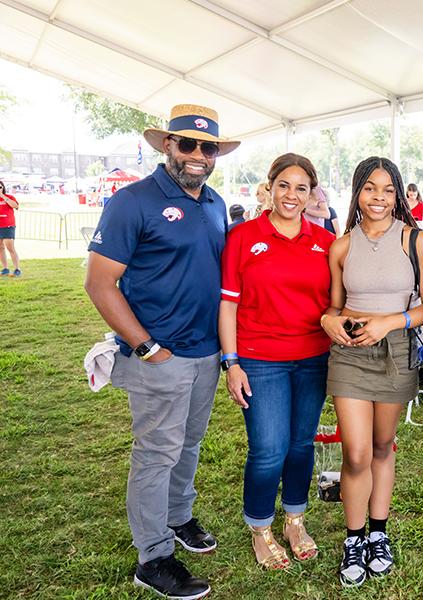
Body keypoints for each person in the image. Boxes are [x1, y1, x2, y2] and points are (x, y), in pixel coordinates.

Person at [84, 104, 240, 600]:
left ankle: (178, 517)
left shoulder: (214, 202)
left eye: (207, 147)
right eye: (187, 144)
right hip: (159, 356)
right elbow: (99, 283)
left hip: (206, 354)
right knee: (156, 454)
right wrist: (145, 346)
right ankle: (152, 556)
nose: (197, 155)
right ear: (167, 146)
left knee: (188, 445)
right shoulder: (133, 201)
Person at [219, 153, 336, 571]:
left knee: (301, 445)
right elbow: (228, 305)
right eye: (283, 185)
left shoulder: (324, 242)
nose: (291, 195)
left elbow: (335, 302)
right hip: (259, 359)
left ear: (311, 194)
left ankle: (294, 520)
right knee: (269, 449)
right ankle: (261, 529)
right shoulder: (243, 236)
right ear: (269, 188)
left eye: (301, 188)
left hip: (313, 359)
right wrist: (230, 362)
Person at [320, 156, 423, 587]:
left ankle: (378, 533)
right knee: (357, 452)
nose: (378, 198)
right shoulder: (342, 245)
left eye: (387, 190)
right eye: (370, 189)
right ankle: (354, 537)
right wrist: (329, 320)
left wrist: (391, 321)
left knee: (383, 447)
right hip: (348, 351)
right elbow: (333, 303)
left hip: (396, 351)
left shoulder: (414, 240)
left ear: (398, 195)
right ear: (357, 193)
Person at [0, 180, 21, 277]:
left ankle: (17, 269)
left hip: (8, 226)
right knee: (0, 248)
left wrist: (2, 196)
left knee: (10, 247)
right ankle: (5, 268)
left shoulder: (9, 197)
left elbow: (15, 206)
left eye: (0, 187)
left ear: (3, 188)